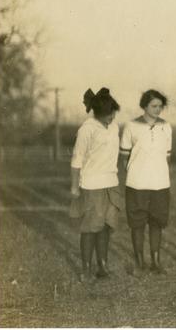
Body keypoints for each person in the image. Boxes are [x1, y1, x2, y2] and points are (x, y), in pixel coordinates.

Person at [69, 88, 122, 281]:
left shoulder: (114, 127)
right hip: (91, 185)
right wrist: (75, 187)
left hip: (111, 184)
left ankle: (102, 265)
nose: (112, 117)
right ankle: (86, 269)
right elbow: (76, 160)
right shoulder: (86, 129)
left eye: (114, 113)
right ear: (98, 113)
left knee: (106, 226)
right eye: (109, 114)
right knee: (91, 227)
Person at [119, 90, 172, 274]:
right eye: (154, 106)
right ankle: (140, 261)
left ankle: (155, 261)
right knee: (137, 223)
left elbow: (167, 156)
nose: (158, 110)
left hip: (160, 184)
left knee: (157, 222)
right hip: (137, 184)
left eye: (160, 106)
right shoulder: (131, 126)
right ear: (144, 106)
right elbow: (125, 157)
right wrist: (135, 172)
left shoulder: (166, 126)